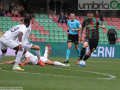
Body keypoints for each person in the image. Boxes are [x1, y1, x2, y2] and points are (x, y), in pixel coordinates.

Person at [0, 46, 70, 67]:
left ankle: (64, 65)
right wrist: (2, 63)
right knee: (46, 59)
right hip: (36, 62)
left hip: (38, 60)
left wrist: (23, 64)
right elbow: (12, 61)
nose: (16, 53)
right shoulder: (19, 56)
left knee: (51, 63)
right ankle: (46, 51)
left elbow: (27, 60)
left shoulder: (26, 53)